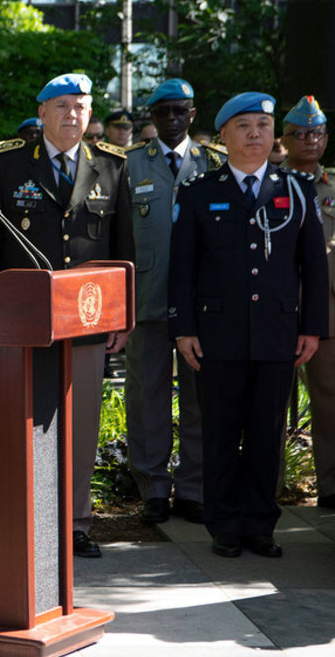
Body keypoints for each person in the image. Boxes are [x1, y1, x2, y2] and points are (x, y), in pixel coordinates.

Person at [0, 73, 134, 559]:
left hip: (86, 320)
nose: (72, 115)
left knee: (81, 425)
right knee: (28, 423)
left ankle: (75, 523)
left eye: (81, 106)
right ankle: (31, 519)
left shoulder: (110, 165)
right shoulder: (8, 163)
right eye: (62, 105)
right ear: (41, 112)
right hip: (23, 323)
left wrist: (121, 317)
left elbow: (123, 246)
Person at [169, 92, 327, 558]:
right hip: (218, 334)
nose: (254, 133)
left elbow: (313, 267)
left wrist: (312, 327)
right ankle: (223, 524)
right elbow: (184, 268)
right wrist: (183, 328)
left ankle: (260, 524)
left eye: (262, 124)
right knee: (220, 432)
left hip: (278, 335)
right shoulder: (200, 191)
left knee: (265, 433)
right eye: (243, 126)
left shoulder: (295, 190)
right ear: (223, 136)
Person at [124, 78, 225, 526]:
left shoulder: (214, 163)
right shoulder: (128, 165)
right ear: (152, 117)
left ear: (192, 114)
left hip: (200, 306)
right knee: (147, 396)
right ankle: (154, 488)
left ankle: (192, 488)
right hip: (145, 299)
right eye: (162, 112)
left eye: (179, 111)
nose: (171, 119)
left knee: (200, 398)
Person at [283, 96, 335, 510]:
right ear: (285, 140)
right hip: (274, 310)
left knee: (329, 400)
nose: (310, 140)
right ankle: (269, 485)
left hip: (327, 313)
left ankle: (330, 487)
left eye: (316, 133)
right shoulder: (269, 182)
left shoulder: (333, 188)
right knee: (266, 403)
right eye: (301, 134)